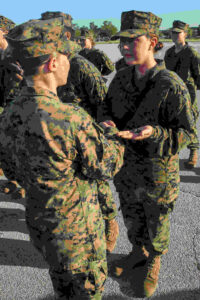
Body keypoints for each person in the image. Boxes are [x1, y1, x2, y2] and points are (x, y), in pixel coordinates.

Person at [0, 17, 125, 299]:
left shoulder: (9, 115)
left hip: (42, 227)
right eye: (66, 55)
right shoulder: (69, 118)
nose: (70, 60)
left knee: (62, 287)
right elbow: (107, 166)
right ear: (52, 63)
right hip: (78, 236)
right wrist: (112, 136)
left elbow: (13, 170)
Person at [99, 10, 196, 298]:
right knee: (131, 213)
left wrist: (155, 134)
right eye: (121, 42)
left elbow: (187, 133)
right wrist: (107, 121)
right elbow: (106, 107)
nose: (125, 47)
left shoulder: (171, 84)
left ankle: (153, 261)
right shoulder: (121, 78)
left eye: (132, 40)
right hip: (127, 167)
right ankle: (136, 252)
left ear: (153, 41)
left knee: (156, 220)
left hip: (157, 172)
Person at [40, 11, 120, 253]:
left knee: (97, 184)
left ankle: (108, 222)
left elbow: (103, 105)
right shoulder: (46, 64)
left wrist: (100, 137)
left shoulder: (81, 66)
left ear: (64, 34)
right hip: (57, 139)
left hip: (86, 138)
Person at [164, 20, 200, 168]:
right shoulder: (169, 53)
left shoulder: (191, 53)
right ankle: (173, 153)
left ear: (185, 34)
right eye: (173, 33)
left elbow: (198, 74)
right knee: (171, 122)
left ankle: (193, 151)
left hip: (187, 92)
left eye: (178, 33)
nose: (175, 35)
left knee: (189, 122)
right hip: (171, 92)